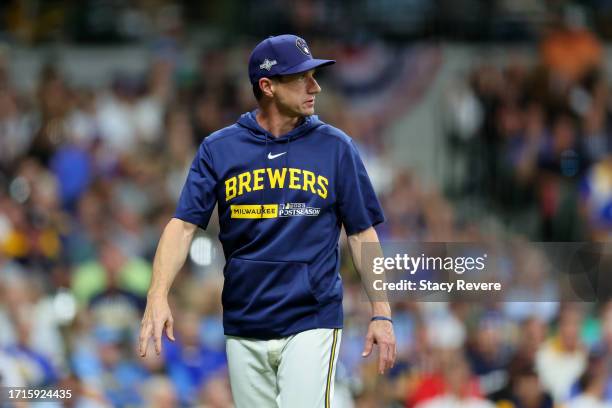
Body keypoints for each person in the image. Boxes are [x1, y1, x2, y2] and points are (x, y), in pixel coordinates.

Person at [139, 34, 396, 407]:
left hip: (312, 319)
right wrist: (157, 294)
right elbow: (181, 226)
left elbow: (361, 233)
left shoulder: (336, 147)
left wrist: (382, 313)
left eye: (314, 75)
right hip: (245, 322)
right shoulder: (219, 148)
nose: (315, 86)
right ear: (268, 86)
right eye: (302, 78)